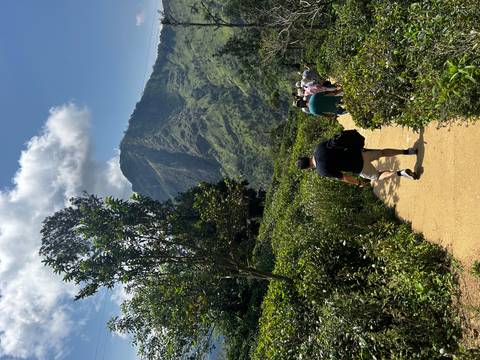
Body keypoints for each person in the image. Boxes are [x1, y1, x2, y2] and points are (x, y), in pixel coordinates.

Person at [296, 139, 418, 186]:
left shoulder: (322, 171)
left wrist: (358, 183)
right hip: (359, 153)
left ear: (307, 168)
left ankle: (401, 173)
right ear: (306, 157)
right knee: (382, 152)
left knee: (377, 176)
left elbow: (344, 177)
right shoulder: (319, 147)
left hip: (358, 167)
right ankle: (408, 151)